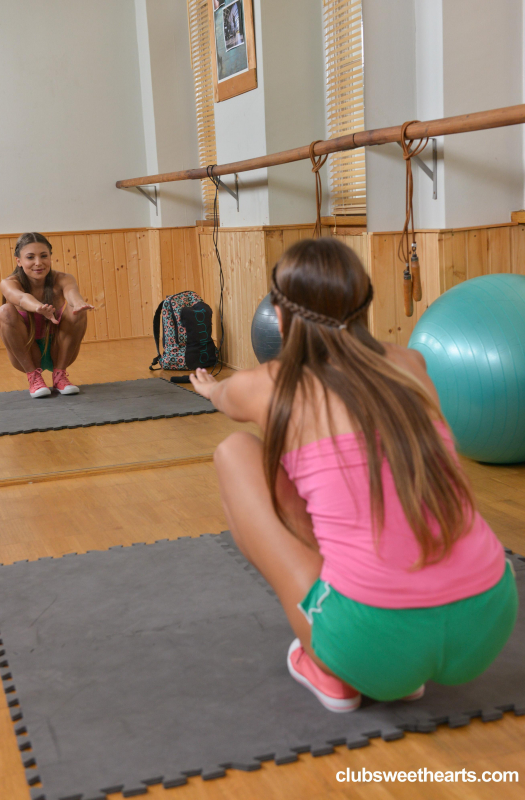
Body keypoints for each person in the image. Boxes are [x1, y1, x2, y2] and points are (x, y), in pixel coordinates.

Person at [190, 238, 518, 713]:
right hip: (489, 619)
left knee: (237, 452)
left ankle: (333, 668)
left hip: (368, 642)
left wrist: (212, 388)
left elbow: (225, 400)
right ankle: (399, 656)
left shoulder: (266, 384)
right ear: (364, 305)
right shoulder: (412, 364)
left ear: (279, 317)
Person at [0, 232, 94, 398]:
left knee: (78, 311)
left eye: (44, 256)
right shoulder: (9, 283)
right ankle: (34, 377)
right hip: (26, 352)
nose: (38, 263)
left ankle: (60, 376)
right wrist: (38, 307)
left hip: (58, 349)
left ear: (50, 257)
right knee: (4, 311)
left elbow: (72, 293)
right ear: (19, 261)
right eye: (30, 257)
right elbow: (21, 298)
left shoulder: (63, 278)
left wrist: (78, 302)